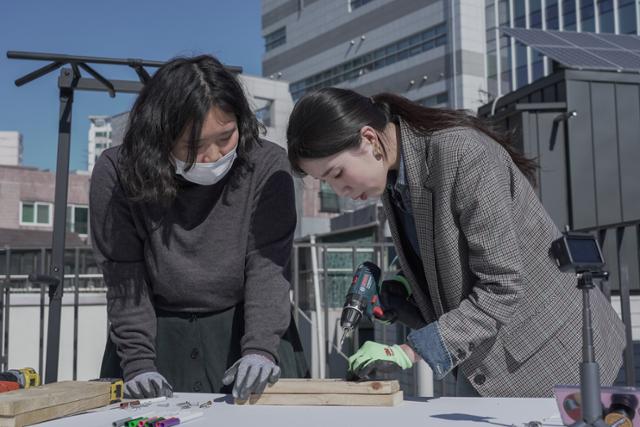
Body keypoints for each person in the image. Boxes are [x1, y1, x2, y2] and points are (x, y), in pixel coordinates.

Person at [285, 87, 625, 397]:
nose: (340, 192)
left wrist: (407, 351)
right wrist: (405, 287)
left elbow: (502, 286)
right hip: (485, 359)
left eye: (337, 174)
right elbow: (446, 257)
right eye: (325, 182)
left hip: (553, 357)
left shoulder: (462, 153)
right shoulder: (394, 179)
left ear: (370, 139)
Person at [90, 55, 308, 400]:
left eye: (226, 137)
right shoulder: (117, 172)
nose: (213, 155)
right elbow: (123, 274)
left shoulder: (267, 164)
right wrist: (138, 362)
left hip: (251, 326)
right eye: (193, 146)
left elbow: (269, 266)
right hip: (154, 334)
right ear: (159, 138)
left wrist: (261, 348)